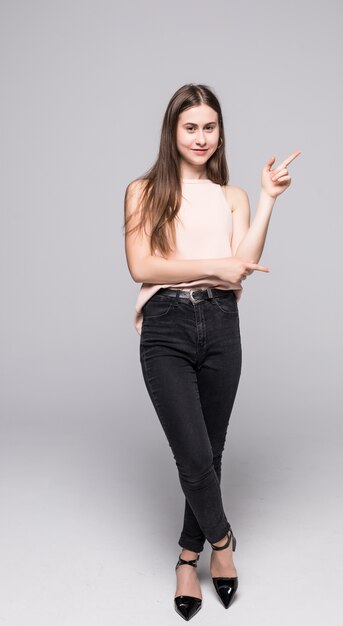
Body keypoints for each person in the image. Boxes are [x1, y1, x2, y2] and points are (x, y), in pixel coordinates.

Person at [123, 83, 301, 621]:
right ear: (173, 132)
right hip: (167, 326)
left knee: (212, 451)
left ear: (220, 132)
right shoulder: (144, 191)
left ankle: (186, 556)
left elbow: (242, 262)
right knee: (194, 458)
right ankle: (222, 544)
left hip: (222, 325)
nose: (201, 137)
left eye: (210, 127)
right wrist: (212, 269)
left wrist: (268, 198)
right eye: (190, 127)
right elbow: (142, 267)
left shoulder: (232, 196)